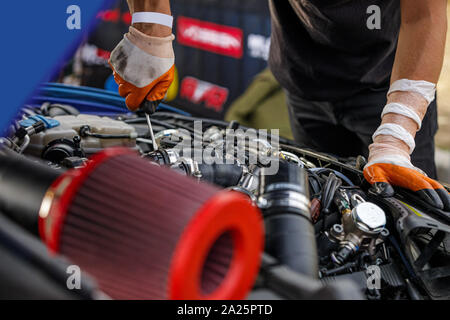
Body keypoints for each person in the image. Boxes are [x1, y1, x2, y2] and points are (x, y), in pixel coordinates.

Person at [109, 0, 450, 210]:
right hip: (302, 82)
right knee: (316, 206)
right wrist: (150, 27)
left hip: (390, 89)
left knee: (412, 227)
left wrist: (396, 136)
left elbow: (425, 16)